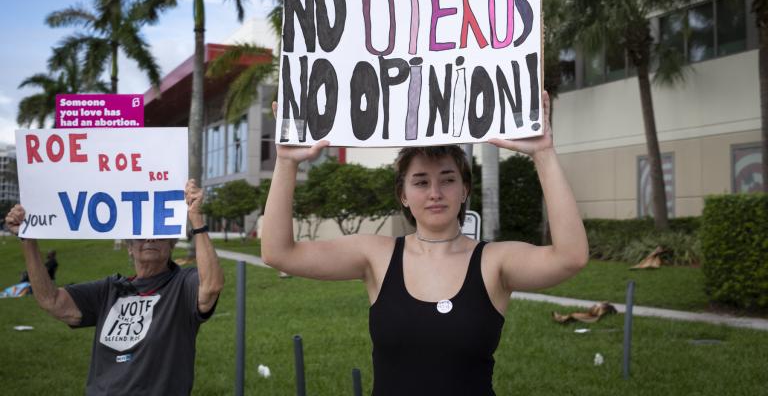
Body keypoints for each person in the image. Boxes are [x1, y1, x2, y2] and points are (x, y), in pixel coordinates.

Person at [261, 91, 588, 395]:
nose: (435, 192)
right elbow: (279, 253)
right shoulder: (376, 256)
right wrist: (287, 163)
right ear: (403, 194)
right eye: (421, 182)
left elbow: (570, 257)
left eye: (447, 179)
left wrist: (543, 153)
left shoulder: (494, 262)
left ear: (464, 191)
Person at [3, 179, 224, 396]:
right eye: (139, 234)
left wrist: (196, 219)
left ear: (172, 243)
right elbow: (51, 301)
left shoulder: (182, 285)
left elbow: (211, 287)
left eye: (159, 233)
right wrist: (27, 239)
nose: (149, 238)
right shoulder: (110, 289)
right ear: (129, 247)